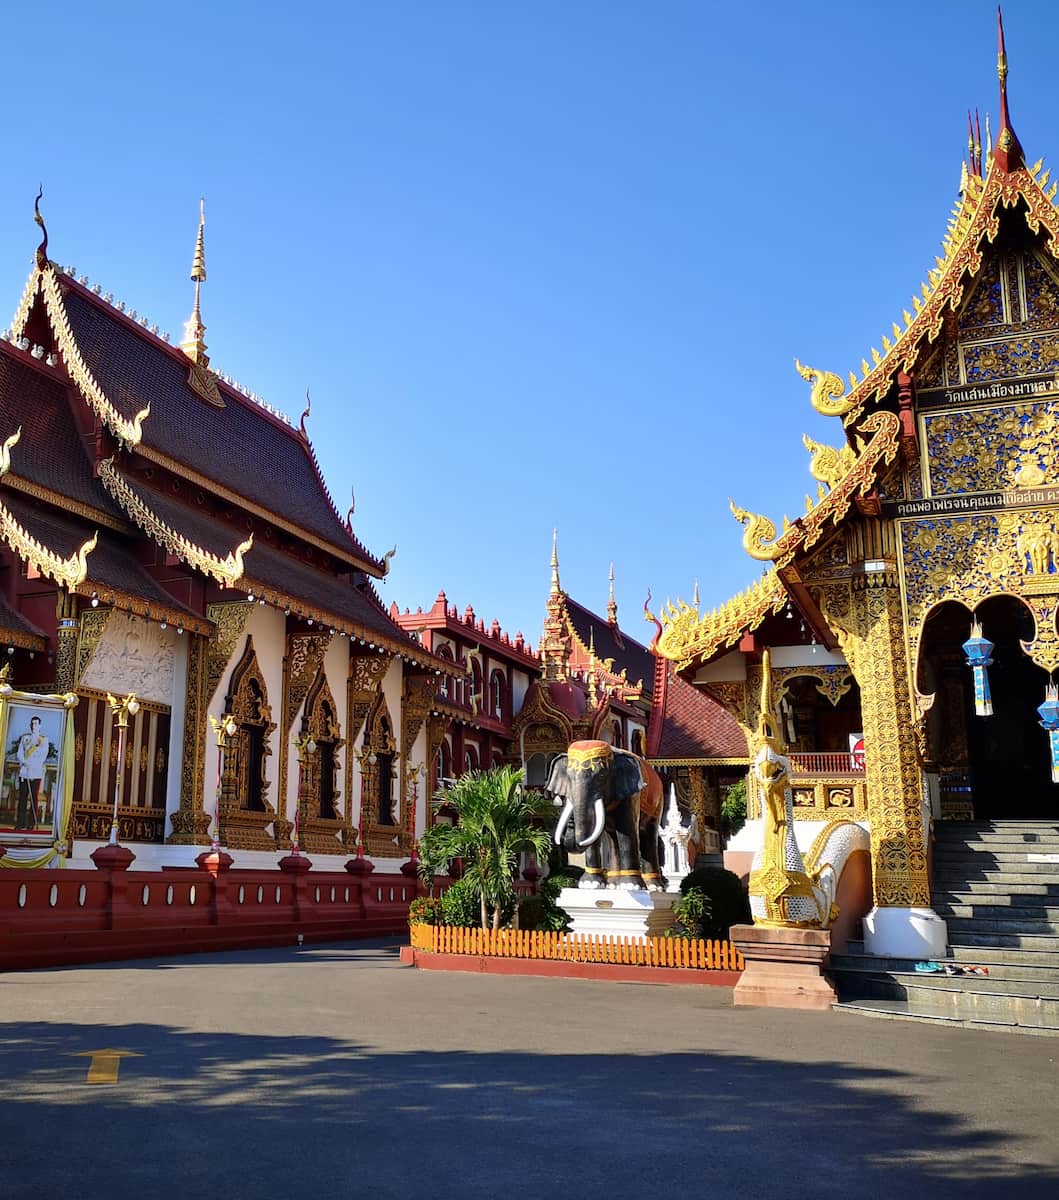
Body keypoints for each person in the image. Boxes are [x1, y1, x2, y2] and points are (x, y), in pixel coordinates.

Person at [14, 715, 48, 830]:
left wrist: (31, 764)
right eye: (32, 723)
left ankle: (31, 823)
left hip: (35, 774)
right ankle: (20, 823)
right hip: (24, 773)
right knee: (22, 799)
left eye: (36, 724)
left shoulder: (43, 740)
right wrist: (24, 762)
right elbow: (19, 752)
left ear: (40, 726)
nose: (34, 726)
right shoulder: (25, 738)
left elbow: (42, 756)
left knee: (34, 799)